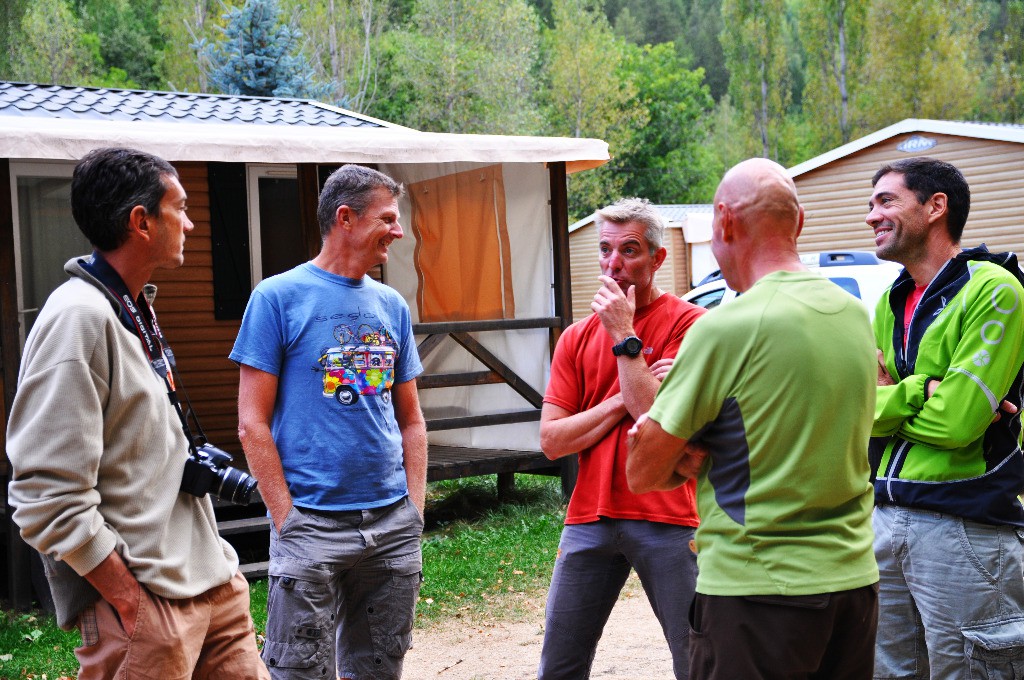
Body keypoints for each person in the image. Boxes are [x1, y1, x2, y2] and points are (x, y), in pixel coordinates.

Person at [6, 147, 268, 679]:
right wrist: (129, 600)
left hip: (212, 582)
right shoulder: (77, 318)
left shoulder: (132, 306)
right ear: (140, 221)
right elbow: (42, 495)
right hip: (148, 601)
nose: (193, 223)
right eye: (182, 208)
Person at [626, 158, 880, 680]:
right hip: (854, 585)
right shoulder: (853, 315)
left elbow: (643, 471)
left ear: (725, 221)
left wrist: (682, 454)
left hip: (757, 590)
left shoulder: (727, 327)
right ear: (800, 222)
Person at [232, 164, 427, 680]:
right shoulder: (276, 298)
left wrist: (414, 510)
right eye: (387, 218)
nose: (399, 231)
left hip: (390, 525)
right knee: (300, 672)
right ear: (346, 218)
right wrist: (285, 519)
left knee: (379, 670)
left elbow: (411, 420)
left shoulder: (391, 305)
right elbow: (251, 422)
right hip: (310, 526)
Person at [867, 157, 1024, 678]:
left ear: (937, 207)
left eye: (886, 200)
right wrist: (922, 390)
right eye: (871, 203)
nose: (872, 215)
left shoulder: (995, 289)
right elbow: (855, 411)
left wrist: (888, 401)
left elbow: (956, 425)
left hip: (964, 526)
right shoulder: (888, 302)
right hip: (882, 519)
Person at [536, 197, 706, 679]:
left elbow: (654, 420)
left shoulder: (691, 325)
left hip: (671, 516)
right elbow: (551, 441)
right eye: (606, 250)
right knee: (559, 664)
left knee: (696, 659)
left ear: (657, 258)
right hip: (589, 515)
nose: (614, 263)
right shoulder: (574, 338)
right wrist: (616, 400)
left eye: (629, 250)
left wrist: (624, 337)